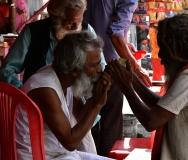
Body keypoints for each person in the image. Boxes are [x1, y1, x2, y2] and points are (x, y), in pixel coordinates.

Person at [105, 14, 188, 160]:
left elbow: (151, 121)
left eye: (162, 48)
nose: (161, 55)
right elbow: (163, 107)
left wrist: (126, 88)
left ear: (178, 48)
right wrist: (132, 79)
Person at [0, 0, 105, 153]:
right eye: (70, 22)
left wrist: (97, 97)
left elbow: (98, 66)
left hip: (74, 107)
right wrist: (28, 99)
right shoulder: (34, 33)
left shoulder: (85, 31)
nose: (77, 28)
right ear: (55, 18)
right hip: (42, 111)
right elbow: (6, 71)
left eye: (79, 21)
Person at [16, 31, 113, 160]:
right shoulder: (45, 88)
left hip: (61, 154)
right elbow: (70, 142)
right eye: (94, 65)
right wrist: (97, 104)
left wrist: (97, 96)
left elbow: (80, 116)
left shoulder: (66, 79)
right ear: (74, 70)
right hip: (41, 157)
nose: (99, 70)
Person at [83, 0, 152, 156]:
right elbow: (115, 34)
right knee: (110, 121)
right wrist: (137, 68)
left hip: (81, 63)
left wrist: (125, 47)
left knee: (84, 115)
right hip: (108, 65)